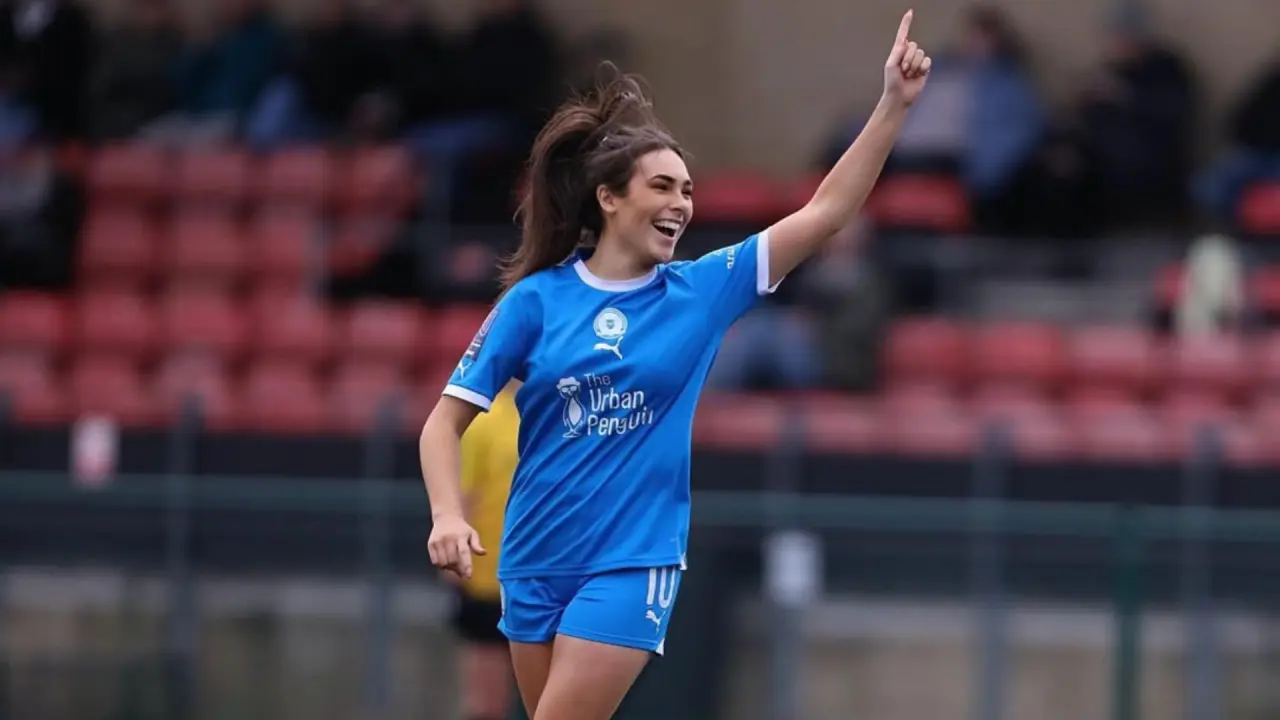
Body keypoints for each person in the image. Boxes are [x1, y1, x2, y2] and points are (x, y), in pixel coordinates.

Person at [420, 12, 932, 720]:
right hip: (531, 559)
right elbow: (442, 424)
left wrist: (893, 106)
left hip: (630, 561)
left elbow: (825, 213)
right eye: (662, 187)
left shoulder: (700, 292)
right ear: (609, 198)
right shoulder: (534, 301)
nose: (681, 204)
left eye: (688, 190)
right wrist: (447, 516)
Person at [451, 381, 520, 720]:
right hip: (489, 575)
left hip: (538, 574)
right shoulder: (485, 422)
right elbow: (465, 496)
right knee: (486, 697)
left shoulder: (556, 416)